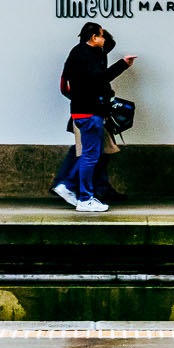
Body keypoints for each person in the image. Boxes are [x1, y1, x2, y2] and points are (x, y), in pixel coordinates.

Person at [51, 23, 134, 212]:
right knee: (89, 156)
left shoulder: (80, 53)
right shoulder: (87, 56)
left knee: (90, 154)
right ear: (94, 37)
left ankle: (87, 193)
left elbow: (108, 46)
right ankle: (84, 197)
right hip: (90, 112)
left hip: (83, 111)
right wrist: (123, 64)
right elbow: (100, 78)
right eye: (102, 36)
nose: (105, 40)